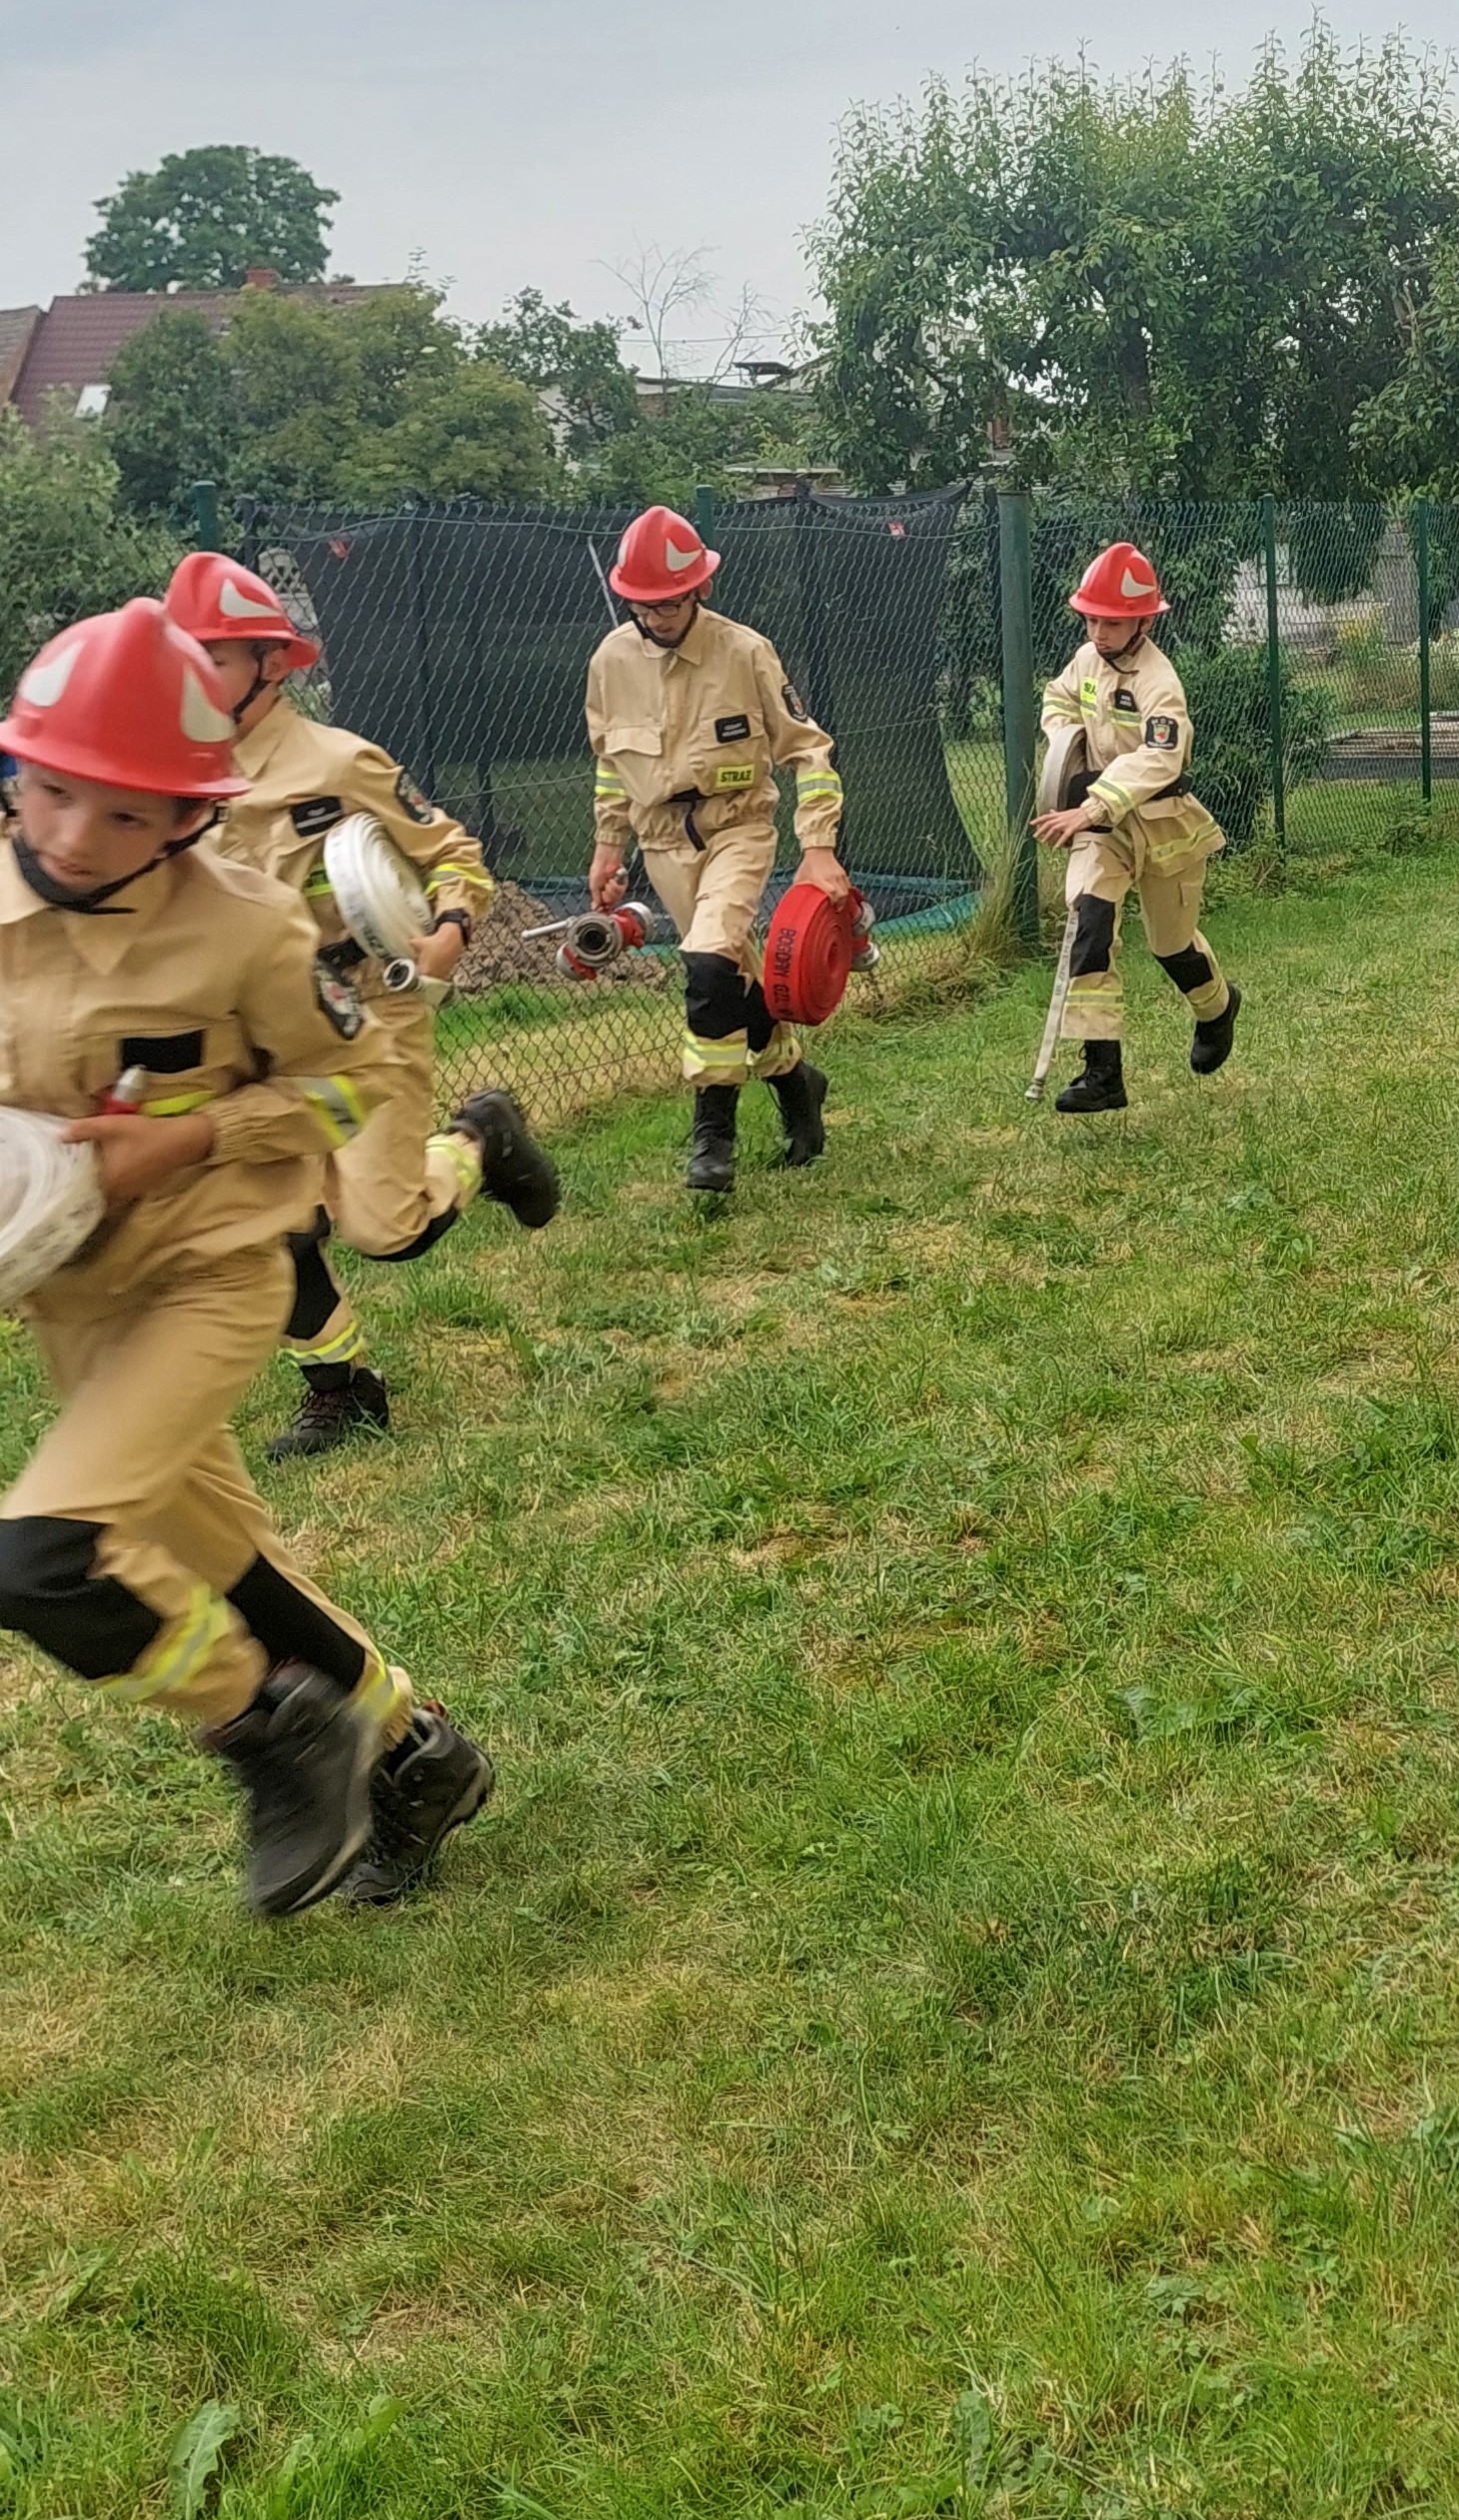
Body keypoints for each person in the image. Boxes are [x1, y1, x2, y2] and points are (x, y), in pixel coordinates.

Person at [0, 601, 492, 1913]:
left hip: (210, 1267)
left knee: (43, 1555)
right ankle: (419, 1750)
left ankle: (263, 1730)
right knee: (224, 1562)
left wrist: (197, 1133)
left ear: (186, 815)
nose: (70, 837)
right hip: (72, 1301)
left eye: (121, 812)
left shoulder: (244, 929)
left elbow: (353, 1082)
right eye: (47, 793)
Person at [165, 555, 561, 1459]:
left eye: (211, 655)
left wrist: (450, 930)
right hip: (250, 1036)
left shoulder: (338, 763)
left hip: (364, 1016)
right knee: (260, 1220)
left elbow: (454, 852)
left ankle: (482, 1137)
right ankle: (344, 1392)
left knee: (388, 1231)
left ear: (270, 662)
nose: (188, 674)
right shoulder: (170, 774)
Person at [584, 505, 850, 1196]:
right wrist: (608, 846)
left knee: (704, 963)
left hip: (738, 827)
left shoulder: (746, 652)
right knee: (731, 979)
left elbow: (810, 749)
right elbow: (610, 762)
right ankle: (798, 1087)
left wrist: (818, 847)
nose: (659, 614)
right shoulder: (611, 661)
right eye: (644, 603)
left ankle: (713, 1138)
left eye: (670, 599)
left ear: (700, 588)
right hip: (661, 840)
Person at [1031, 543, 1240, 1114]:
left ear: (1144, 621)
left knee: (1171, 946)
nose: (1099, 631)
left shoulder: (1159, 682)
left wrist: (1092, 803)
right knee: (1089, 923)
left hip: (1164, 826)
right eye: (1092, 618)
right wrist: (1065, 740)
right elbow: (1057, 699)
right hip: (1104, 832)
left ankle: (1218, 1008)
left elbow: (1159, 760)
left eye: (1113, 621)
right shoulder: (1085, 661)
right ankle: (1102, 1072)